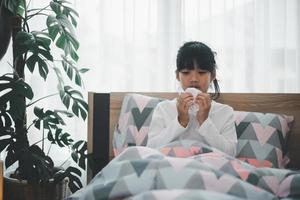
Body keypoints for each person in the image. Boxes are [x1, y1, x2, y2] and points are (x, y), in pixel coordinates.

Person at [147, 41, 237, 157]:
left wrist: (204, 121)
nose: (194, 79)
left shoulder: (225, 112)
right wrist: (180, 121)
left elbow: (231, 154)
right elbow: (150, 149)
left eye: (201, 72)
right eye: (186, 72)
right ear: (177, 75)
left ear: (213, 75)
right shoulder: (163, 109)